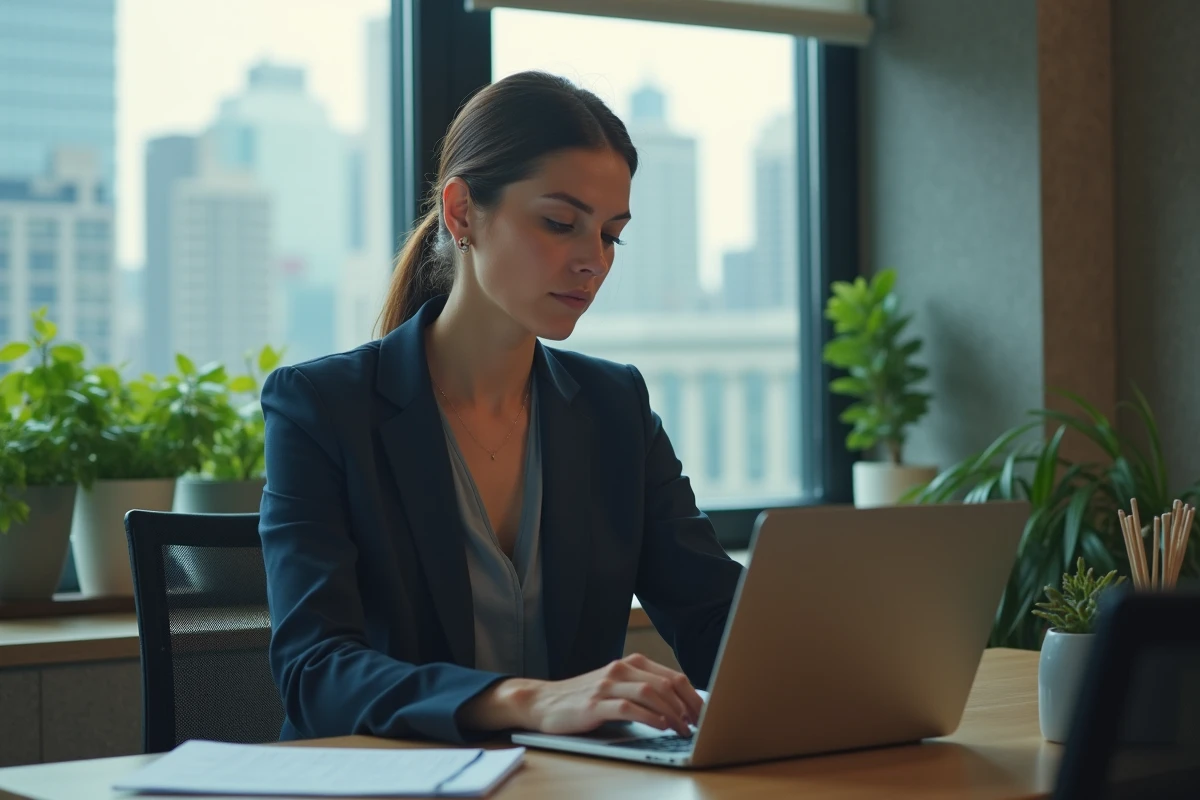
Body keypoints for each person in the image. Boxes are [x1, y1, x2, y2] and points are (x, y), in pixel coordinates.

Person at [259, 70, 744, 745]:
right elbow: (316, 671)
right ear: (462, 213)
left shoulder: (614, 408)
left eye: (611, 235)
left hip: (564, 786)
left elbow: (713, 613)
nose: (592, 261)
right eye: (559, 223)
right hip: (385, 787)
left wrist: (833, 683)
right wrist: (528, 701)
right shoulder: (322, 408)